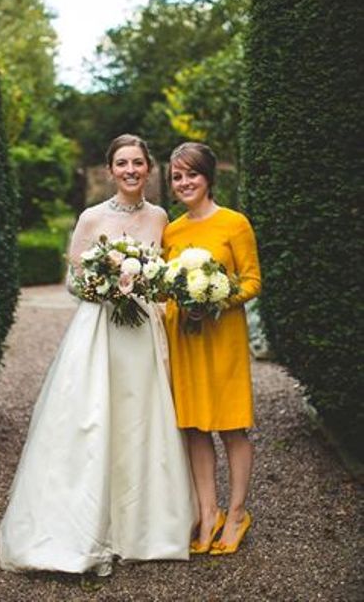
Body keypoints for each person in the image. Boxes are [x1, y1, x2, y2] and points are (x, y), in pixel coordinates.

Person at [0, 134, 196, 576]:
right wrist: (103, 283)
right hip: (98, 331)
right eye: (122, 163)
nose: (130, 170)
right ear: (110, 170)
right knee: (90, 418)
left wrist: (142, 283)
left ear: (149, 169)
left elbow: (162, 276)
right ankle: (82, 526)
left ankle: (145, 528)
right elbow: (73, 281)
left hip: (142, 332)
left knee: (142, 419)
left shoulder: (161, 217)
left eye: (138, 163)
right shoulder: (91, 217)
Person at [163, 142, 261, 555]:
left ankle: (237, 513)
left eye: (192, 174)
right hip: (184, 339)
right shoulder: (172, 230)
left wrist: (215, 298)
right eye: (177, 176)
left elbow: (253, 280)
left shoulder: (235, 224)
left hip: (222, 340)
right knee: (194, 428)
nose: (184, 183)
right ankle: (208, 513)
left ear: (209, 178)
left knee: (230, 426)